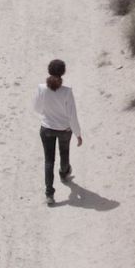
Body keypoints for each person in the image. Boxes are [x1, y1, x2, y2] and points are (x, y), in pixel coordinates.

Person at [33, 58, 83, 200]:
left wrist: (47, 113)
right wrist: (78, 134)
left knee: (49, 161)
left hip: (47, 128)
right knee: (64, 153)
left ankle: (49, 194)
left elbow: (36, 108)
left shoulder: (41, 88)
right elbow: (72, 114)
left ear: (49, 70)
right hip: (64, 130)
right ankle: (64, 172)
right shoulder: (67, 91)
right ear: (63, 72)